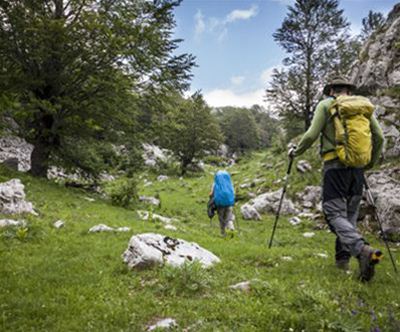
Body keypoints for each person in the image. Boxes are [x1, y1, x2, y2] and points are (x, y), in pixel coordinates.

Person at [289, 76, 384, 282]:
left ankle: (362, 251)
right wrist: (369, 163)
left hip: (334, 167)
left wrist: (295, 152)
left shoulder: (326, 105)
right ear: (349, 91)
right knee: (349, 217)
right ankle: (343, 264)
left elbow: (311, 134)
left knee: (333, 214)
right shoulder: (362, 107)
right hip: (357, 170)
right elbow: (380, 137)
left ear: (331, 90)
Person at [209, 170, 235, 237]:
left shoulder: (215, 183)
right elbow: (233, 192)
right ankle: (231, 227)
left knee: (221, 218)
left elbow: (211, 194)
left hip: (220, 203)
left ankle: (223, 233)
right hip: (229, 202)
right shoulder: (229, 183)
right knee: (228, 217)